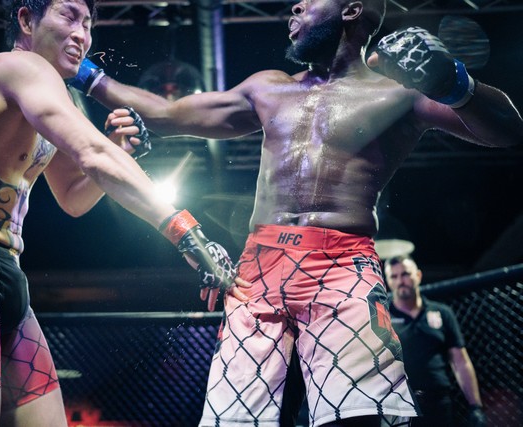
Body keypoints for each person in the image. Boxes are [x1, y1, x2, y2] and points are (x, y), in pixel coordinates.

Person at [69, 0, 523, 425]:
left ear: (352, 9)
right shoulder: (269, 88)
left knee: (359, 417)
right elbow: (165, 113)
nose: (296, 5)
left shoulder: (398, 93)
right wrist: (77, 70)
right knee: (236, 421)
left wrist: (456, 85)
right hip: (257, 270)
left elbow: (508, 131)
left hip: (342, 264)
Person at [0, 1, 248, 426]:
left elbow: (73, 197)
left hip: (8, 269)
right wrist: (186, 233)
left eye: (87, 24)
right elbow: (92, 152)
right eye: (68, 16)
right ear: (26, 20)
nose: (81, 34)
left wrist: (119, 151)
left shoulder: (55, 94)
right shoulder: (15, 67)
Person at [385, 255, 487, 427]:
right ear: (388, 281)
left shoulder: (442, 313)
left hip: (439, 402)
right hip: (398, 404)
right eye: (394, 276)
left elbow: (460, 361)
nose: (400, 281)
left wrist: (475, 406)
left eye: (405, 274)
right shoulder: (382, 316)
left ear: (418, 275)